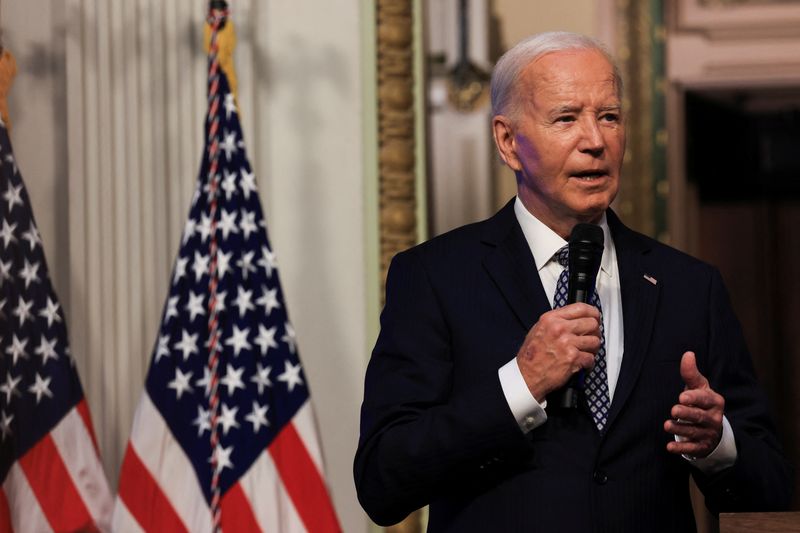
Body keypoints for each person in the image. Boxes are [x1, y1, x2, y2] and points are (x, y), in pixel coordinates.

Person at [354, 32, 792, 532]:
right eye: (566, 118)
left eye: (609, 116)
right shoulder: (436, 277)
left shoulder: (690, 286)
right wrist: (521, 384)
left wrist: (717, 443)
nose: (596, 140)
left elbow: (771, 492)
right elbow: (383, 482)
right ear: (508, 141)